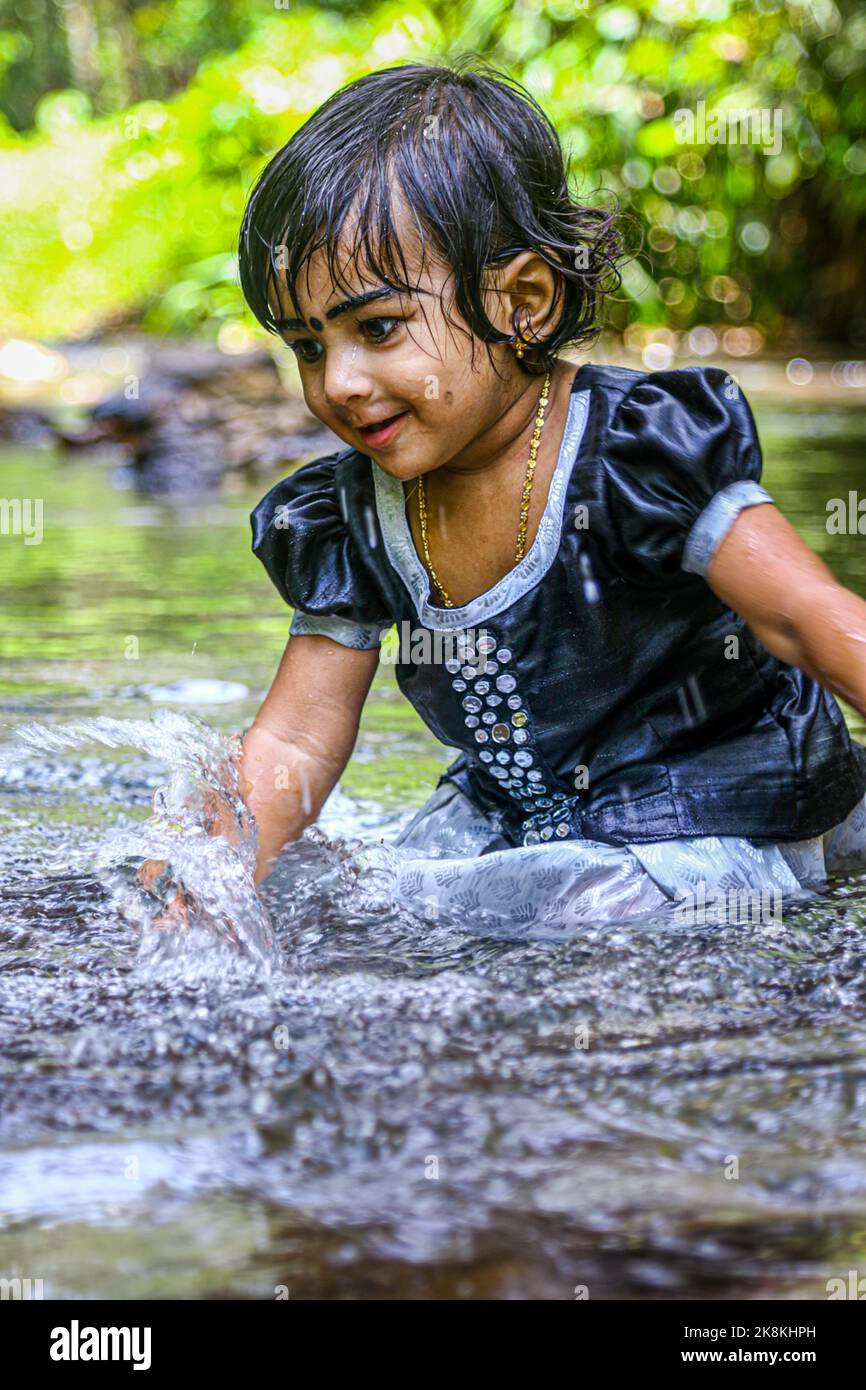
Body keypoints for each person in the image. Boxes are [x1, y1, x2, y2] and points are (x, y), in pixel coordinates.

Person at [145, 60, 866, 932]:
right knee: (345, 903)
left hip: (711, 810)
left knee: (581, 909)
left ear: (523, 299)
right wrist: (205, 878)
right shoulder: (354, 516)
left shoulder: (635, 452)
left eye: (378, 329)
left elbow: (808, 621)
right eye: (306, 345)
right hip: (513, 812)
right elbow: (296, 739)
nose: (339, 382)